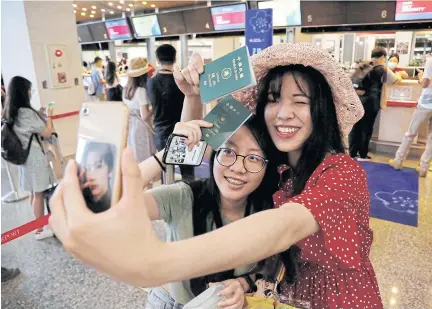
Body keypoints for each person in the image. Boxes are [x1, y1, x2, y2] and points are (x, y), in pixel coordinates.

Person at [49, 44, 383, 309]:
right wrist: (192, 98)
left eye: (300, 101)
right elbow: (199, 146)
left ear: (321, 108)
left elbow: (286, 226)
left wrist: (154, 263)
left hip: (341, 301)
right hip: (290, 294)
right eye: (273, 99)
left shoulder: (342, 172)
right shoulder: (277, 170)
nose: (283, 113)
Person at [139, 119, 279, 308]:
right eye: (228, 151)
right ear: (214, 155)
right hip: (169, 303)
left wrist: (242, 283)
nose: (238, 168)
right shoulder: (184, 196)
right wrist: (168, 152)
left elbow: (269, 263)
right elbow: (113, 201)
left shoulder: (266, 212)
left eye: (254, 158)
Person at [3, 76, 54, 240]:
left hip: (24, 157)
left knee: (34, 193)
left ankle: (37, 225)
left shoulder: (11, 111)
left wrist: (38, 115)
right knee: (39, 194)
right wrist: (49, 116)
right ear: (23, 92)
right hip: (34, 157)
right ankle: (39, 230)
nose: (31, 92)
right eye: (29, 89)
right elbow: (46, 132)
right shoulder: (26, 112)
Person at [147, 44, 194, 181]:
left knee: (166, 174)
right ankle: (190, 199)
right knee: (187, 174)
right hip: (183, 131)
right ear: (175, 58)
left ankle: (166, 200)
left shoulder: (151, 82)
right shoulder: (182, 81)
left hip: (161, 132)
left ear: (157, 60)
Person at [349, 47, 399, 161]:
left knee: (356, 127)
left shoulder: (363, 65)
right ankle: (362, 155)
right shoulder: (383, 69)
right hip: (371, 101)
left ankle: (351, 153)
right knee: (366, 128)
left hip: (358, 99)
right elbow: (395, 80)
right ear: (382, 57)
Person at [389, 58, 432, 177]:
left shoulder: (430, 61)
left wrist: (420, 77)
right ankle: (424, 167)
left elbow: (425, 83)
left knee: (410, 133)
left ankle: (398, 161)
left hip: (426, 103)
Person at [123, 57, 156, 165]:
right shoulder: (141, 91)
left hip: (130, 125)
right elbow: (144, 115)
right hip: (141, 127)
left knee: (135, 154)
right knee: (145, 155)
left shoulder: (126, 89)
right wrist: (154, 107)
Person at [78, 141, 115, 213]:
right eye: (88, 168)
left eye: (98, 166)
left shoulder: (117, 201)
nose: (91, 177)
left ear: (110, 170)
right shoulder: (83, 203)